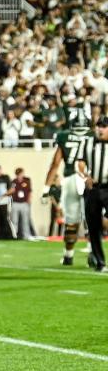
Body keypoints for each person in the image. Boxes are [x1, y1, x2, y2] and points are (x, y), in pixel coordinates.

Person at [42, 115, 90, 264]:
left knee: (71, 222)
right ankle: (92, 253)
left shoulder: (64, 136)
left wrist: (46, 188)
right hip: (88, 179)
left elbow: (55, 164)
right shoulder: (94, 135)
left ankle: (68, 255)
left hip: (70, 179)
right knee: (91, 218)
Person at [78, 116, 108, 272]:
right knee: (93, 226)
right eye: (98, 126)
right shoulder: (88, 143)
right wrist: (86, 175)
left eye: (103, 126)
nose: (100, 129)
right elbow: (80, 162)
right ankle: (100, 262)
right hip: (93, 188)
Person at [7, 168, 33, 239]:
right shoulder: (14, 182)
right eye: (18, 174)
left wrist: (29, 200)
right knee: (14, 220)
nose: (19, 176)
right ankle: (14, 235)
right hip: (15, 203)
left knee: (25, 220)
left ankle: (26, 236)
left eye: (20, 174)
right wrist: (7, 193)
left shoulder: (27, 181)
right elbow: (11, 190)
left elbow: (30, 191)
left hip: (24, 203)